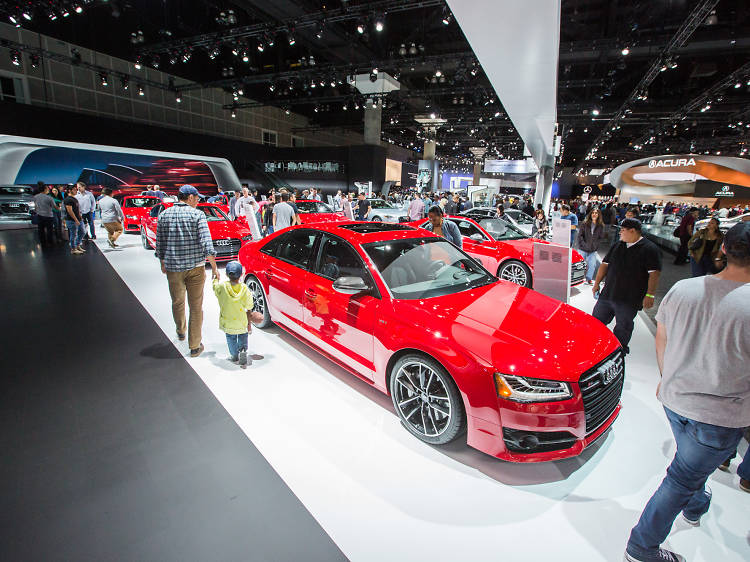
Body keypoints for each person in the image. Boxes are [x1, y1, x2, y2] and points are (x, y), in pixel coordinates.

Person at [624, 221, 750, 562]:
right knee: (680, 478)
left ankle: (697, 503)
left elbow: (661, 334)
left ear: (723, 249)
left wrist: (669, 376)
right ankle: (641, 547)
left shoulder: (683, 289)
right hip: (719, 416)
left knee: (689, 469)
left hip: (675, 399)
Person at [155, 185, 219, 358]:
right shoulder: (197, 215)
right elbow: (207, 243)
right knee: (196, 307)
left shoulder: (164, 215)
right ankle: (195, 346)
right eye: (197, 198)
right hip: (196, 268)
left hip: (173, 268)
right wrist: (214, 268)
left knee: (177, 301)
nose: (198, 200)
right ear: (190, 197)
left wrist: (162, 261)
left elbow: (159, 243)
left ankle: (181, 331)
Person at [592, 218, 661, 354]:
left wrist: (650, 294)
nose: (620, 233)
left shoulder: (650, 249)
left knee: (623, 326)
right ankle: (594, 344)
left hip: (629, 299)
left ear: (632, 231)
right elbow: (605, 265)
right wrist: (596, 283)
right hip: (608, 294)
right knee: (596, 321)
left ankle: (618, 350)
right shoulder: (618, 245)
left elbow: (654, 274)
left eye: (623, 230)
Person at [213, 260, 254, 367]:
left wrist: (215, 279)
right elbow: (249, 305)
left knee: (230, 338)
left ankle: (234, 355)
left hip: (228, 321)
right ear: (241, 275)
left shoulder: (222, 287)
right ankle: (243, 350)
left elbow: (215, 288)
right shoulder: (244, 288)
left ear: (226, 274)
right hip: (241, 322)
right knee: (242, 336)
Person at [578, 208, 606, 284]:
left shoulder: (600, 226)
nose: (594, 214)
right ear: (590, 214)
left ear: (598, 215)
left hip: (593, 249)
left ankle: (588, 279)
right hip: (583, 248)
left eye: (596, 213)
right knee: (580, 265)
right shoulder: (585, 223)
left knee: (592, 265)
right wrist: (583, 245)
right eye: (593, 213)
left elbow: (600, 238)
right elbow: (580, 236)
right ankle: (578, 278)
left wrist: (595, 246)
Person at [64, 186, 86, 255]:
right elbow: (70, 211)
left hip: (78, 219)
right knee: (73, 235)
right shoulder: (68, 199)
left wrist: (80, 217)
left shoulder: (74, 199)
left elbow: (77, 210)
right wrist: (76, 220)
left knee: (82, 232)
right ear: (69, 190)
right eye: (74, 190)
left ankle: (77, 245)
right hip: (72, 220)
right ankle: (73, 249)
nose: (76, 191)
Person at [33, 183, 56, 247]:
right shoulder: (49, 198)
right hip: (48, 216)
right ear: (45, 189)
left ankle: (43, 242)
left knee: (41, 230)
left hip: (39, 215)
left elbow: (35, 206)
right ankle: (50, 242)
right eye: (48, 188)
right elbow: (54, 206)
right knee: (49, 230)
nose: (49, 189)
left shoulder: (35, 197)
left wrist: (36, 211)